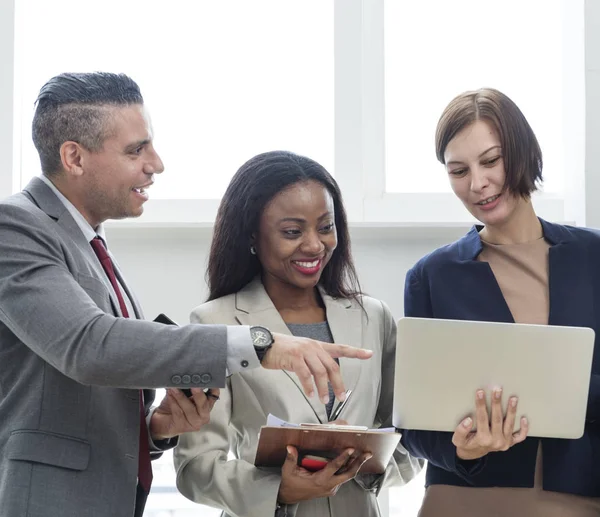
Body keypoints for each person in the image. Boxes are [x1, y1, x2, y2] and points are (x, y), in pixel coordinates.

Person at [0, 73, 373, 517]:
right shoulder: (15, 227)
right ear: (74, 157)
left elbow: (86, 398)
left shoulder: (91, 245)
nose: (156, 163)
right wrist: (262, 344)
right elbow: (88, 346)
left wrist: (156, 429)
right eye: (136, 149)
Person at [173, 150, 422, 517]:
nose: (314, 245)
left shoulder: (373, 317)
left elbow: (410, 440)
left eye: (325, 226)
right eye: (292, 232)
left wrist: (363, 464)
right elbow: (194, 466)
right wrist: (278, 490)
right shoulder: (215, 322)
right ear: (252, 236)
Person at [400, 88, 600, 516]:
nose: (477, 183)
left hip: (576, 501)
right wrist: (464, 451)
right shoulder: (430, 276)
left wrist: (555, 394)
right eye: (459, 170)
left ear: (524, 151)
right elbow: (412, 424)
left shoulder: (594, 257)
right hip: (460, 501)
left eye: (490, 161)